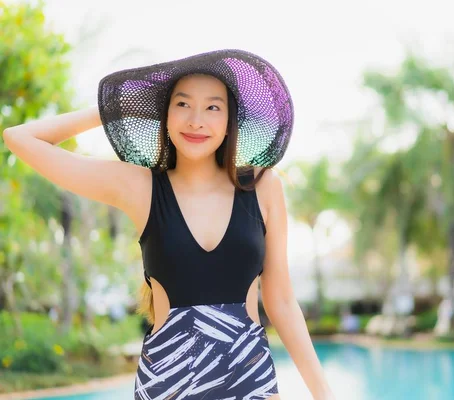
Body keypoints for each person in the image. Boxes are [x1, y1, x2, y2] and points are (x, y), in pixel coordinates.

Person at [4, 49, 335, 400]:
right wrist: (112, 111)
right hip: (168, 385)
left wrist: (323, 394)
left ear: (229, 121)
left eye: (212, 107)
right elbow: (20, 138)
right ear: (164, 115)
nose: (196, 120)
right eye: (182, 104)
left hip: (249, 383)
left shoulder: (262, 187)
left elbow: (281, 300)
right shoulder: (140, 187)